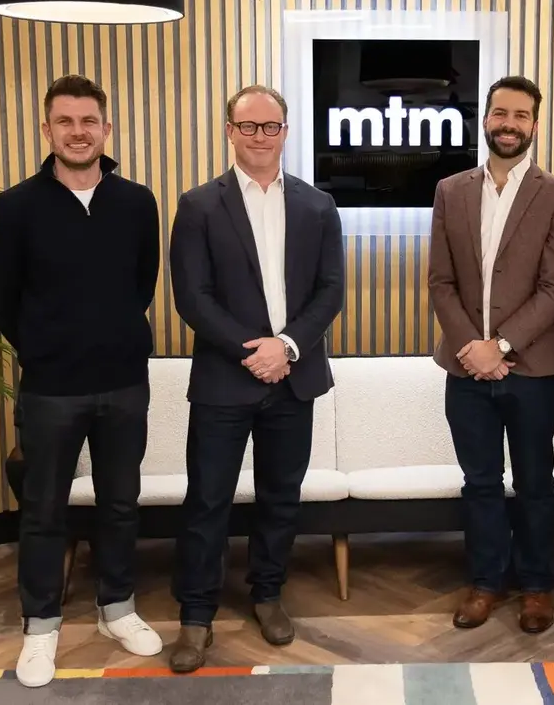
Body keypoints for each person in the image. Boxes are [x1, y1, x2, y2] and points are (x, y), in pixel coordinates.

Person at [0, 74, 163, 688]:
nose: (78, 132)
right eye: (66, 121)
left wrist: (111, 334)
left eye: (89, 121)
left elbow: (144, 282)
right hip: (50, 389)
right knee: (43, 512)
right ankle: (40, 626)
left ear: (106, 129)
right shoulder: (18, 206)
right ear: (47, 129)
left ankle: (118, 607)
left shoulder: (137, 201)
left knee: (118, 505)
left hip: (123, 383)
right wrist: (41, 347)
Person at [167, 84, 345, 672]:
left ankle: (267, 594)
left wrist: (288, 346)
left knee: (280, 498)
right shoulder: (198, 206)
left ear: (286, 133)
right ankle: (197, 615)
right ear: (230, 131)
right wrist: (255, 351)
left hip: (293, 379)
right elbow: (192, 297)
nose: (260, 137)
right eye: (249, 127)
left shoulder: (318, 205)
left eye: (271, 127)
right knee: (207, 500)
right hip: (226, 379)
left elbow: (330, 291)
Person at [427, 75, 554, 634]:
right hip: (465, 367)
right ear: (484, 119)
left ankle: (538, 586)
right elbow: (441, 281)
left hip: (533, 369)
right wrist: (473, 348)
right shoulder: (451, 190)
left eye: (521, 115)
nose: (509, 124)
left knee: (536, 481)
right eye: (500, 113)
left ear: (534, 125)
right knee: (481, 482)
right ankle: (487, 582)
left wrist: (503, 346)